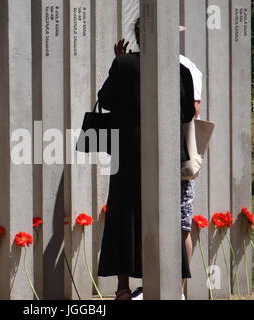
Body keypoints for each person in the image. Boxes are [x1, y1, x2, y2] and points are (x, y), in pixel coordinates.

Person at [97, 18, 197, 300]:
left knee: (123, 217)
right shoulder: (179, 70)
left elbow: (105, 100)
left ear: (138, 37)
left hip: (128, 155)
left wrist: (117, 63)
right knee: (166, 217)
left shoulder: (124, 65)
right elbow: (188, 113)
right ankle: (168, 286)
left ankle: (122, 288)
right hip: (165, 157)